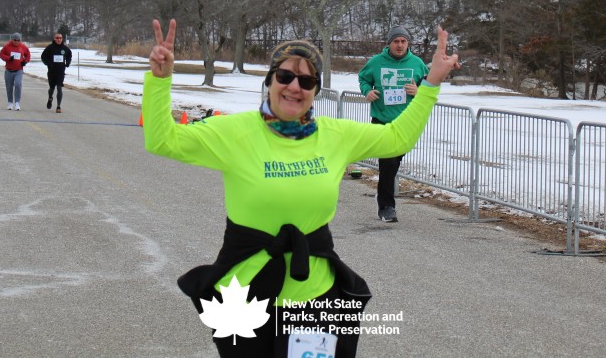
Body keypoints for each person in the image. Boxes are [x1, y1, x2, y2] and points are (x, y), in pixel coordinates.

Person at [143, 19, 459, 358]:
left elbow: (398, 138)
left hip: (314, 297)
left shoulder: (335, 135)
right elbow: (163, 140)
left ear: (315, 90)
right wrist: (160, 80)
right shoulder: (232, 132)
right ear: (270, 81)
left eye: (307, 80)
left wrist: (431, 83)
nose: (295, 86)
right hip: (243, 298)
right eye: (285, 76)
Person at [357, 25, 430, 223]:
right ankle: (387, 207)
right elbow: (363, 79)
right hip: (382, 119)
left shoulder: (417, 64)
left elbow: (429, 86)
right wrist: (367, 91)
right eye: (396, 41)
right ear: (389, 43)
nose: (399, 45)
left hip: (406, 121)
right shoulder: (376, 62)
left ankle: (383, 195)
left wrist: (419, 91)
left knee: (394, 162)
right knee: (388, 162)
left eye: (403, 41)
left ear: (408, 43)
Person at [40, 33, 72, 113]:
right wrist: (48, 63)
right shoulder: (50, 48)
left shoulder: (65, 48)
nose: (59, 39)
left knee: (59, 88)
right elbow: (43, 57)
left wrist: (67, 62)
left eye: (60, 38)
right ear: (54, 39)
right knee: (52, 88)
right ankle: (50, 97)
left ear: (62, 39)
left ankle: (58, 106)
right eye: (57, 38)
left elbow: (69, 56)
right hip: (52, 71)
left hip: (61, 71)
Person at [0, 32, 31, 111]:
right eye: (15, 40)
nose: (16, 42)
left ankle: (17, 103)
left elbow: (28, 55)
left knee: (18, 84)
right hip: (9, 70)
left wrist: (25, 61)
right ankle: (10, 103)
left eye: (18, 40)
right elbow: (2, 54)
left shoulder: (23, 47)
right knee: (9, 87)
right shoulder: (7, 46)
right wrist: (8, 58)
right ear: (12, 40)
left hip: (19, 70)